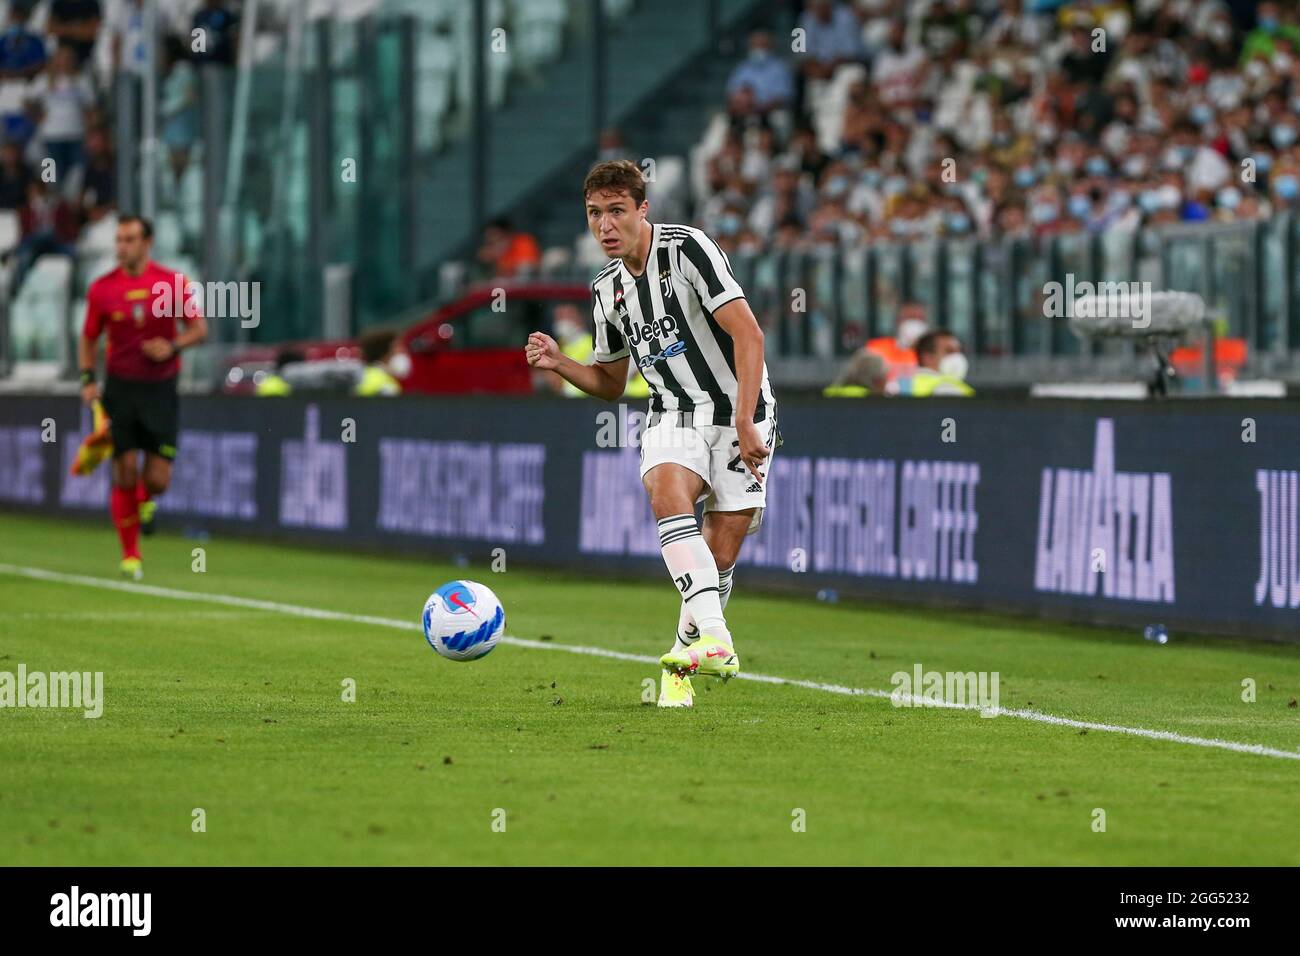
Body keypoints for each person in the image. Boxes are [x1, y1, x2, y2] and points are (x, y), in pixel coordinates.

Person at [526, 159, 780, 709]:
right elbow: (611, 382)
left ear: (642, 210)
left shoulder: (688, 249)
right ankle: (718, 641)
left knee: (721, 552)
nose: (605, 225)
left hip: (741, 408)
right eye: (594, 214)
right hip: (673, 413)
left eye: (617, 211)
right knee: (667, 491)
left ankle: (683, 660)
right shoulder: (606, 292)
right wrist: (559, 363)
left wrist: (742, 418)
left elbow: (750, 334)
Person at [78, 215, 208, 579]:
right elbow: (88, 337)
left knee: (157, 479)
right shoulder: (102, 288)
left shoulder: (169, 284)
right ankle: (131, 555)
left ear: (147, 243)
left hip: (160, 388)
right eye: (118, 240)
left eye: (129, 240)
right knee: (123, 468)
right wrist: (89, 378)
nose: (122, 247)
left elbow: (199, 329)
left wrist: (172, 345)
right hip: (120, 387)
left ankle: (145, 499)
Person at [891, 330, 974, 396]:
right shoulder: (947, 389)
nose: (957, 356)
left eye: (959, 351)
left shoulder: (899, 384)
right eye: (949, 351)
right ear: (928, 357)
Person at [354, 329, 408, 396]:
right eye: (397, 347)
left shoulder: (365, 375)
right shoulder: (386, 387)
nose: (403, 351)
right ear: (384, 353)